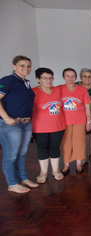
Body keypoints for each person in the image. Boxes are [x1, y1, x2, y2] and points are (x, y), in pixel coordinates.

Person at [0, 55, 38, 193]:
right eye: (22, 65)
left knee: (22, 153)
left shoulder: (26, 83)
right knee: (11, 155)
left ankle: (23, 178)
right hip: (11, 124)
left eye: (28, 66)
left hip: (25, 123)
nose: (26, 68)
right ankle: (12, 183)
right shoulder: (8, 80)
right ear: (14, 66)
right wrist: (6, 117)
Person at [32, 68, 66, 184]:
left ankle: (56, 170)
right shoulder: (33, 92)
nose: (48, 80)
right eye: (45, 77)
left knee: (55, 147)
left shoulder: (58, 90)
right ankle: (43, 172)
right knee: (42, 148)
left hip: (58, 125)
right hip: (39, 127)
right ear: (38, 79)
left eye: (50, 77)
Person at [59, 68, 91, 175]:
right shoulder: (58, 89)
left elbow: (87, 107)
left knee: (80, 142)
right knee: (66, 143)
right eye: (67, 76)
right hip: (64, 121)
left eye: (73, 76)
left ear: (76, 78)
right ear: (63, 77)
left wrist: (89, 121)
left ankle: (79, 164)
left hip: (79, 120)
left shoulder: (82, 90)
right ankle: (66, 164)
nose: (70, 78)